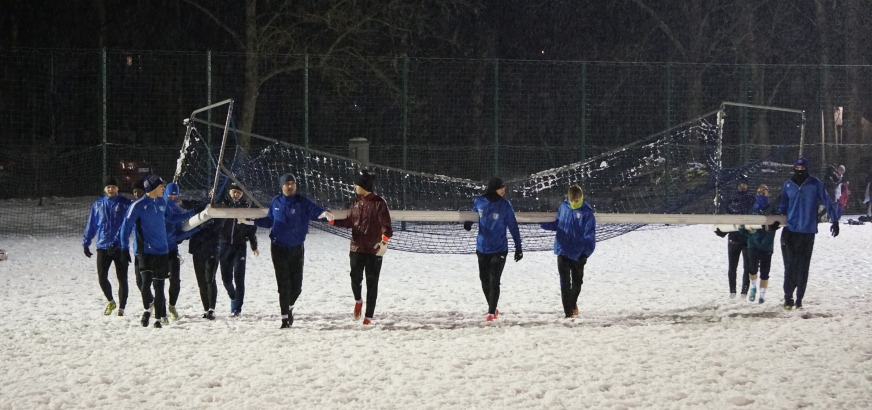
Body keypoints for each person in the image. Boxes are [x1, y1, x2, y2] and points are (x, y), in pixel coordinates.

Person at [253, 174, 333, 328]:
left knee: (296, 288)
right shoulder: (276, 201)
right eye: (287, 184)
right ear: (282, 186)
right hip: (278, 247)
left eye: (292, 184)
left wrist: (325, 213)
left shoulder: (302, 202)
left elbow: (317, 212)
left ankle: (289, 308)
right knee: (284, 285)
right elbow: (269, 220)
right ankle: (284, 320)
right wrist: (249, 221)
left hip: (296, 248)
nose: (290, 186)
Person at [119, 175, 197, 328]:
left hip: (162, 251)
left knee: (159, 286)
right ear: (153, 188)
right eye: (161, 186)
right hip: (145, 251)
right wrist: (123, 248)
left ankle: (157, 319)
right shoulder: (138, 205)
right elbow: (125, 227)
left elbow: (173, 218)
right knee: (145, 283)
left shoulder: (162, 202)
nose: (164, 189)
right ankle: (147, 309)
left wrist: (194, 212)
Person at [330, 170, 392, 326]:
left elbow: (387, 227)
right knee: (355, 279)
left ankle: (368, 318)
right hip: (356, 249)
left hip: (373, 251)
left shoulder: (379, 203)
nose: (355, 186)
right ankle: (358, 300)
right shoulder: (355, 202)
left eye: (357, 183)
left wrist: (384, 241)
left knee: (372, 284)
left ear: (364, 185)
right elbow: (349, 221)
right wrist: (333, 222)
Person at [776, 158, 839, 310]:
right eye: (797, 167)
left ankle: (799, 298)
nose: (799, 170)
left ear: (807, 168)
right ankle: (788, 297)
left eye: (802, 167)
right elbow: (782, 206)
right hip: (790, 231)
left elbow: (827, 200)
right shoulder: (788, 185)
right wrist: (775, 221)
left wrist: (834, 220)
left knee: (803, 266)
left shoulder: (815, 184)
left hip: (808, 232)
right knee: (790, 266)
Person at [463, 177, 523, 321]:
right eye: (501, 187)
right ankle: (493, 307)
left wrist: (518, 247)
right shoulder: (480, 201)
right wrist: (468, 222)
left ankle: (490, 313)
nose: (504, 190)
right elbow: (474, 213)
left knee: (494, 280)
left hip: (499, 249)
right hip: (482, 247)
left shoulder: (505, 205)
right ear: (494, 188)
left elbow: (513, 226)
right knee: (484, 280)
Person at [539, 184, 596, 318]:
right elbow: (558, 224)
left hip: (578, 253)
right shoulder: (563, 207)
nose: (574, 203)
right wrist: (543, 224)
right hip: (563, 250)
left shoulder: (587, 213)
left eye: (577, 200)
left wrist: (585, 254)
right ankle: (568, 313)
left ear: (581, 197)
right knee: (564, 283)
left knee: (577, 283)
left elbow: (590, 236)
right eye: (572, 200)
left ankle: (573, 303)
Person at [82, 176, 133, 316]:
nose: (111, 189)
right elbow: (92, 225)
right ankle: (111, 301)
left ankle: (122, 308)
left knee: (122, 278)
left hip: (120, 247)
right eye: (108, 187)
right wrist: (86, 242)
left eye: (113, 187)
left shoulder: (126, 203)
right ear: (105, 189)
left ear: (118, 188)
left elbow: (131, 224)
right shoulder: (98, 204)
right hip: (103, 247)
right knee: (101, 276)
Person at [218, 182, 259, 317]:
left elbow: (251, 229)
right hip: (224, 246)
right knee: (226, 279)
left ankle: (237, 309)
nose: (236, 195)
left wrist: (254, 246)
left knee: (239, 278)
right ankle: (233, 297)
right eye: (234, 192)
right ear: (230, 192)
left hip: (240, 247)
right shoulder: (223, 204)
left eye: (239, 193)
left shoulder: (245, 208)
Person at [715, 177, 755, 299]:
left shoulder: (751, 200)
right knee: (732, 266)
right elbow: (726, 220)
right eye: (740, 184)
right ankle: (732, 291)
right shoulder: (730, 201)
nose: (742, 186)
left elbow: (755, 217)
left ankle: (744, 292)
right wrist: (722, 232)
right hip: (733, 238)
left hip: (747, 238)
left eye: (744, 184)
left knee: (747, 266)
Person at [739, 185, 779, 304]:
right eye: (759, 192)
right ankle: (752, 288)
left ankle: (762, 295)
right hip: (753, 244)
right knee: (752, 269)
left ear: (768, 194)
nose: (761, 194)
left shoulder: (772, 210)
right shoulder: (752, 210)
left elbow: (776, 226)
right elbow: (742, 227)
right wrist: (747, 230)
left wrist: (770, 230)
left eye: (764, 192)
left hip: (766, 245)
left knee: (765, 272)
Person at [164, 182, 198, 321]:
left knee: (175, 281)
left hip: (172, 250)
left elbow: (178, 233)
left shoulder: (178, 210)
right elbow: (171, 219)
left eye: (175, 195)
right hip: (157, 251)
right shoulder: (159, 206)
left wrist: (194, 229)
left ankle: (172, 306)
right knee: (156, 281)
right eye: (170, 195)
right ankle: (156, 305)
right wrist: (192, 212)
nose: (172, 198)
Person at [187, 209, 221, 320]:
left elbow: (219, 227)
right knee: (201, 281)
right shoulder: (197, 208)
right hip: (197, 250)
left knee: (210, 279)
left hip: (212, 249)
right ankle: (206, 309)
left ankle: (212, 309)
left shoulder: (217, 212)